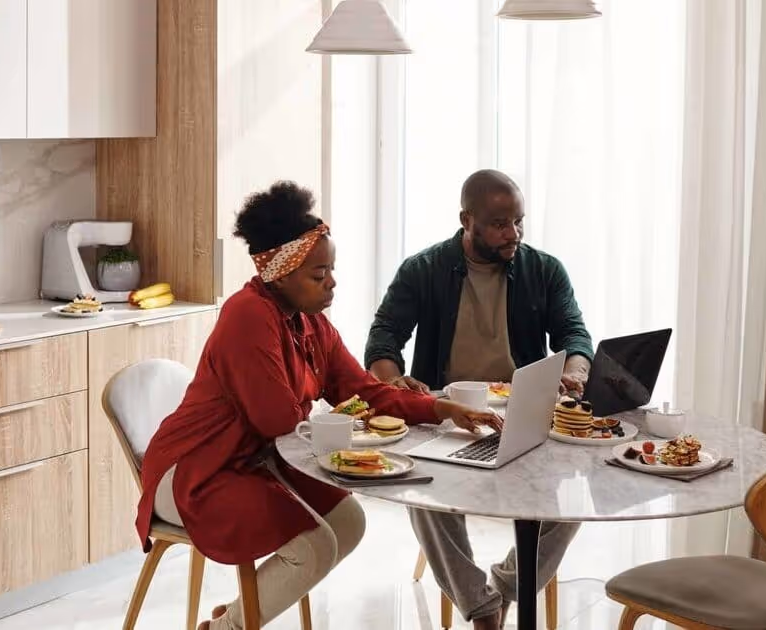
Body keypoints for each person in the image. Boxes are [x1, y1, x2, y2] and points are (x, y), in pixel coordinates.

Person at [136, 181, 502, 630]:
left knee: (347, 521)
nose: (332, 282)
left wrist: (442, 409)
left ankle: (233, 617)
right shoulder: (247, 315)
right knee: (313, 545)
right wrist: (338, 411)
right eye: (319, 274)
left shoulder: (311, 324)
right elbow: (276, 419)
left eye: (332, 269)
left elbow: (364, 391)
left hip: (251, 462)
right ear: (281, 274)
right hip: (195, 470)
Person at [364, 169, 594, 629]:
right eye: (499, 224)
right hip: (447, 416)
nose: (514, 234)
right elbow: (384, 336)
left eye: (519, 221)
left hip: (523, 418)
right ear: (466, 220)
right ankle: (483, 609)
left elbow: (574, 333)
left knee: (571, 504)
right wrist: (393, 382)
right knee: (421, 494)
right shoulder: (423, 269)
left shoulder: (544, 270)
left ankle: (506, 588)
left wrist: (575, 370)